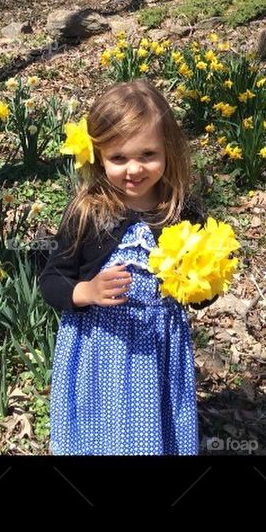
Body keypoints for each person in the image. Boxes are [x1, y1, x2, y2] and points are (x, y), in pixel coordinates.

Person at [38, 79, 218, 456]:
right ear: (98, 156)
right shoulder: (88, 211)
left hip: (159, 350)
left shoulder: (182, 212)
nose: (133, 169)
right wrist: (84, 292)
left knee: (155, 435)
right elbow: (52, 278)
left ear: (168, 151)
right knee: (102, 434)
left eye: (147, 155)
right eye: (118, 158)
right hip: (98, 349)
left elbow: (201, 292)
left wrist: (204, 284)